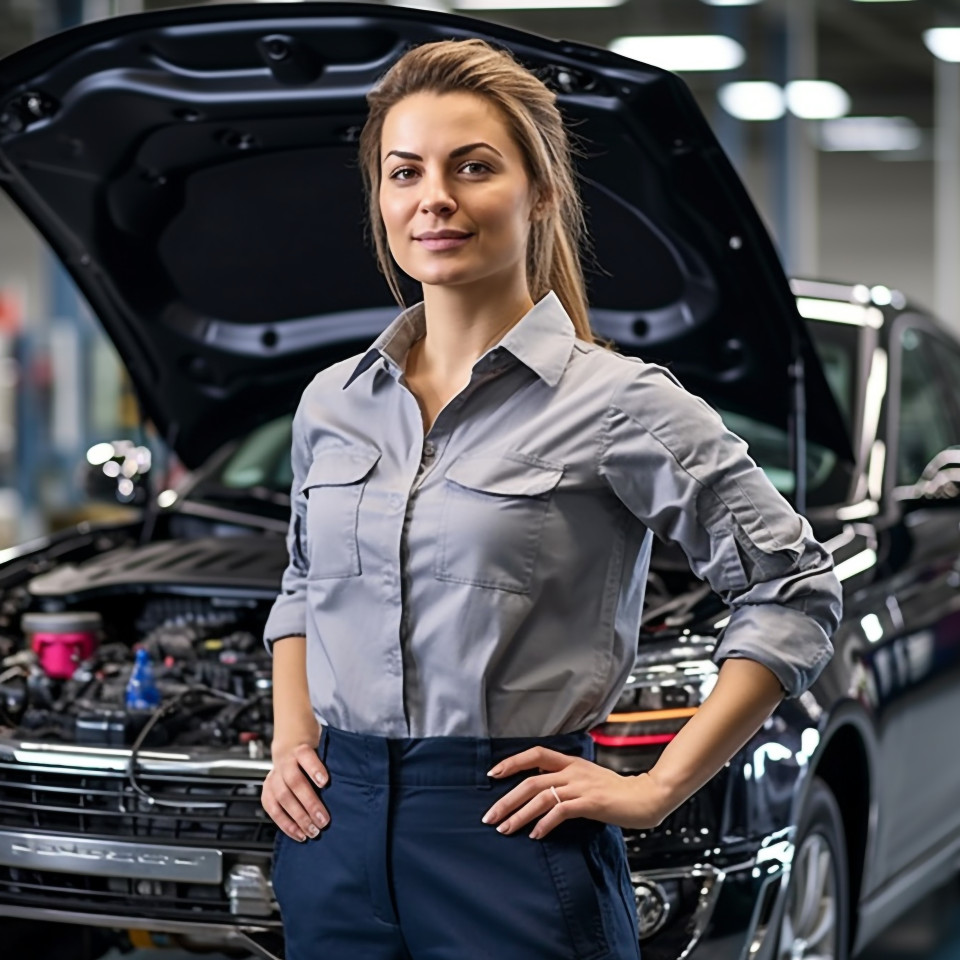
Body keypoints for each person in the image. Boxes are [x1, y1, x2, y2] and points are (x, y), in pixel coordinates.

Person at [259, 37, 842, 960]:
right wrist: (294, 737)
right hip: (331, 830)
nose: (434, 197)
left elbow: (794, 588)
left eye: (473, 167)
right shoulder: (333, 402)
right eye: (404, 171)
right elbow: (301, 583)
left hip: (510, 836)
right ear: (382, 198)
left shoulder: (618, 403)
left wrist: (656, 786)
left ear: (540, 193)